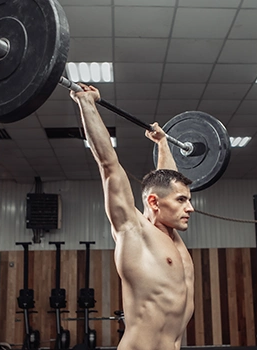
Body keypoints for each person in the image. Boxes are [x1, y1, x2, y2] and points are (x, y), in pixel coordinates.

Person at [70, 84, 195, 350]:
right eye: (183, 201)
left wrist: (163, 143)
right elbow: (108, 164)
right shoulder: (133, 231)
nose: (190, 208)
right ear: (153, 203)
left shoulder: (174, 240)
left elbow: (166, 183)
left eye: (189, 200)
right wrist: (86, 102)